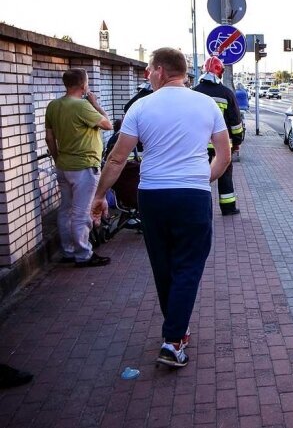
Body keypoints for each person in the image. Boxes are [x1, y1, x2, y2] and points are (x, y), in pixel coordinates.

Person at [91, 47, 231, 368]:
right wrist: (201, 180)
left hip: (152, 195)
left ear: (160, 71)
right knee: (189, 264)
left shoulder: (141, 107)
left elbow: (116, 158)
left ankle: (175, 332)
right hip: (192, 196)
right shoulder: (207, 104)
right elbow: (223, 155)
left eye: (149, 70)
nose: (147, 76)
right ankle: (173, 340)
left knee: (164, 264)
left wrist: (99, 195)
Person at [45, 68, 113, 267]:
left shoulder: (53, 106)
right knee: (81, 213)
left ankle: (68, 251)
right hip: (84, 166)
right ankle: (83, 254)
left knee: (65, 210)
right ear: (83, 85)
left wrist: (58, 159)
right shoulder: (82, 106)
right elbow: (108, 124)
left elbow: (49, 137)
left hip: (64, 165)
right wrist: (95, 104)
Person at [193, 57, 244, 216]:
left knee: (199, 178)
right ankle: (228, 208)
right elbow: (236, 124)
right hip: (222, 145)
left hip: (198, 145)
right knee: (225, 175)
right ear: (220, 72)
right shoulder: (227, 93)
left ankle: (200, 209)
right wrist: (236, 142)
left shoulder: (193, 92)